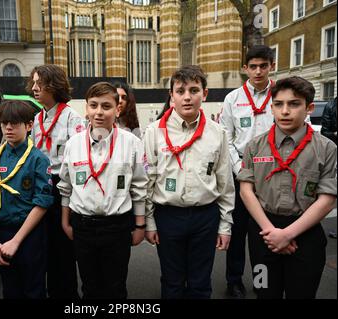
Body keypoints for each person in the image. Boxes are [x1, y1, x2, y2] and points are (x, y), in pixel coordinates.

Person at [237, 76, 337, 299]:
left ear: (309, 107)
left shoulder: (326, 148)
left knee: (301, 294)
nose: (285, 111)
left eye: (294, 104)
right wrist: (273, 234)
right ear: (271, 107)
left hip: (306, 233)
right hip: (263, 235)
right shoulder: (254, 146)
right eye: (279, 104)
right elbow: (246, 190)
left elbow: (327, 199)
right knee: (263, 292)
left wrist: (288, 234)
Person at [144, 66, 234, 299]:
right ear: (171, 95)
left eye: (194, 90)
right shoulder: (154, 132)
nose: (187, 97)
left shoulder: (218, 133)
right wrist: (150, 222)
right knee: (172, 282)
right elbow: (148, 181)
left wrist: (225, 225)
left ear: (205, 94)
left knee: (200, 283)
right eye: (180, 90)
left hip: (206, 217)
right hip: (168, 216)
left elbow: (225, 184)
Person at [58, 82, 148, 299]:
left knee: (115, 287)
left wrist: (140, 225)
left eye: (106, 106)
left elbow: (139, 187)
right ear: (86, 109)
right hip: (82, 225)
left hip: (117, 226)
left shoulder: (132, 143)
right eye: (93, 105)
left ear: (118, 110)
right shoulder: (73, 144)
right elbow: (66, 186)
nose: (99, 112)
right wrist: (65, 221)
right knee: (89, 287)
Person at [0, 100, 54, 299]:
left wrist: (16, 241)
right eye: (4, 124)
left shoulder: (38, 159)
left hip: (29, 233)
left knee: (33, 289)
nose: (9, 128)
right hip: (0, 233)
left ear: (29, 126)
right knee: (10, 290)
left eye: (15, 123)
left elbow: (42, 202)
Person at [218, 45, 275, 298]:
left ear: (271, 66)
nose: (258, 71)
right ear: (245, 69)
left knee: (264, 233)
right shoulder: (233, 98)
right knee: (238, 230)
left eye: (263, 65)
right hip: (240, 171)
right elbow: (226, 138)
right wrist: (239, 167)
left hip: (273, 173)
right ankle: (234, 281)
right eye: (253, 66)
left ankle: (262, 281)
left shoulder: (282, 94)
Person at [28, 64, 83, 298]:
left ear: (54, 84)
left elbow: (79, 157)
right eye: (33, 83)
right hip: (41, 187)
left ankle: (68, 295)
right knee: (44, 246)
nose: (33, 88)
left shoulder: (73, 117)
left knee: (64, 248)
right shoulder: (36, 118)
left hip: (63, 187)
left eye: (39, 83)